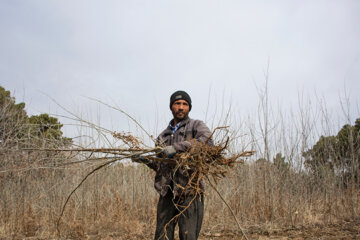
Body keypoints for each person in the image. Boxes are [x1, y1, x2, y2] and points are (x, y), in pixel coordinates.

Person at [134, 90, 213, 240]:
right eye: (177, 104)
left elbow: (207, 142)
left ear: (189, 107)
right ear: (172, 107)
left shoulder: (196, 125)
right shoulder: (162, 136)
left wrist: (177, 148)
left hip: (190, 190)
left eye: (185, 104)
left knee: (188, 236)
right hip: (167, 193)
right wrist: (145, 160)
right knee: (162, 235)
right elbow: (160, 166)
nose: (181, 107)